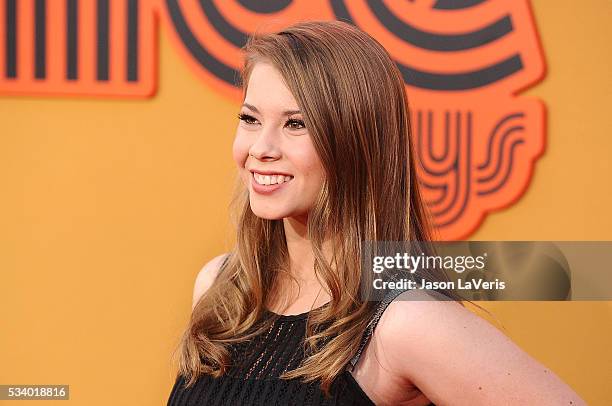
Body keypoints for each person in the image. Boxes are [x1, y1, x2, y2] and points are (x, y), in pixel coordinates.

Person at [167, 20, 585, 405]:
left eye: (297, 124)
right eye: (250, 119)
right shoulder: (221, 288)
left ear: (356, 142)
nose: (261, 148)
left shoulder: (405, 322)